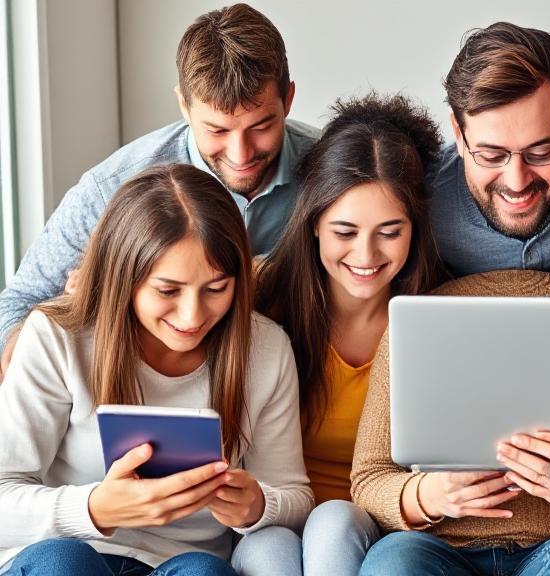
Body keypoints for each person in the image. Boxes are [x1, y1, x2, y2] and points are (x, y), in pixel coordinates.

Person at [0, 164, 312, 575]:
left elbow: (294, 495)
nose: (192, 315)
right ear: (123, 278)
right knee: (63, 562)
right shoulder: (58, 335)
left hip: (179, 563)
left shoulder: (266, 348)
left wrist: (257, 504)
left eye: (216, 288)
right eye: (168, 290)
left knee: (203, 571)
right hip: (68, 552)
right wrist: (94, 508)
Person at [0, 3, 319, 376]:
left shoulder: (331, 171)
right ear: (184, 105)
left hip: (288, 377)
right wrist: (81, 307)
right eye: (217, 130)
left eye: (261, 127)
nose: (241, 154)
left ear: (288, 99)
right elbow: (15, 305)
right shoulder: (111, 188)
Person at [230, 93, 444, 576]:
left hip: (376, 525)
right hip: (270, 517)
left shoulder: (437, 315)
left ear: (414, 229)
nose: (366, 255)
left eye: (389, 232)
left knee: (333, 521)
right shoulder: (259, 294)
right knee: (268, 552)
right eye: (345, 232)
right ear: (313, 224)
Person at [350, 269, 550, 575]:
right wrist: (429, 496)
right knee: (392, 564)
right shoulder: (414, 321)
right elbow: (369, 480)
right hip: (436, 551)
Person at [429, 22, 550, 278]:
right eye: (491, 156)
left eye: (540, 153)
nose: (517, 183)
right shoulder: (422, 193)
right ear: (459, 134)